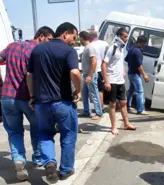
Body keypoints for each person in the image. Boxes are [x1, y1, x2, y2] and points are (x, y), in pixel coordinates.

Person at [27, 22, 81, 183]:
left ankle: (49, 162)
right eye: (73, 37)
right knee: (69, 134)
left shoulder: (37, 49)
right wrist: (77, 91)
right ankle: (65, 170)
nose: (74, 41)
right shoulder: (68, 51)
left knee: (44, 134)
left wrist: (32, 96)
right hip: (62, 102)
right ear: (65, 34)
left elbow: (29, 75)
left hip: (42, 103)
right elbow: (75, 72)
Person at [0, 26, 54, 181]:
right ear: (41, 36)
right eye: (49, 40)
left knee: (14, 132)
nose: (49, 43)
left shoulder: (13, 46)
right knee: (37, 128)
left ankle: (18, 159)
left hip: (8, 96)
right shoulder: (37, 51)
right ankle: (37, 159)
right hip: (29, 98)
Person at [102, 27, 136, 135]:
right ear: (119, 36)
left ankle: (126, 124)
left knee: (123, 102)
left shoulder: (121, 49)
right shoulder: (113, 48)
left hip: (120, 80)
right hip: (111, 80)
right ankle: (113, 127)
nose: (126, 39)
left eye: (127, 37)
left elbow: (118, 63)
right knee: (112, 104)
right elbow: (104, 64)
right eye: (125, 37)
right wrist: (106, 81)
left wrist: (123, 70)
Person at [78, 31, 102, 120]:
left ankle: (98, 112)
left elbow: (94, 62)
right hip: (85, 74)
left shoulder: (91, 47)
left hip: (89, 75)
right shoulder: (87, 47)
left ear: (82, 37)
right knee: (84, 94)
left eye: (79, 37)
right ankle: (86, 111)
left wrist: (89, 75)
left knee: (94, 93)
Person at [125, 35, 150, 115]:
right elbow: (139, 65)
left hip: (130, 73)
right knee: (140, 91)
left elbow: (126, 59)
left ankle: (128, 107)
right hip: (135, 74)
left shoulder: (132, 48)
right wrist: (145, 75)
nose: (144, 46)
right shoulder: (137, 51)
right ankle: (140, 109)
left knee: (131, 91)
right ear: (141, 43)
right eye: (144, 44)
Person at [88, 30, 109, 109]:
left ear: (90, 37)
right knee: (106, 88)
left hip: (96, 69)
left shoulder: (91, 45)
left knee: (99, 90)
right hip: (104, 69)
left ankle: (100, 107)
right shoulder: (105, 43)